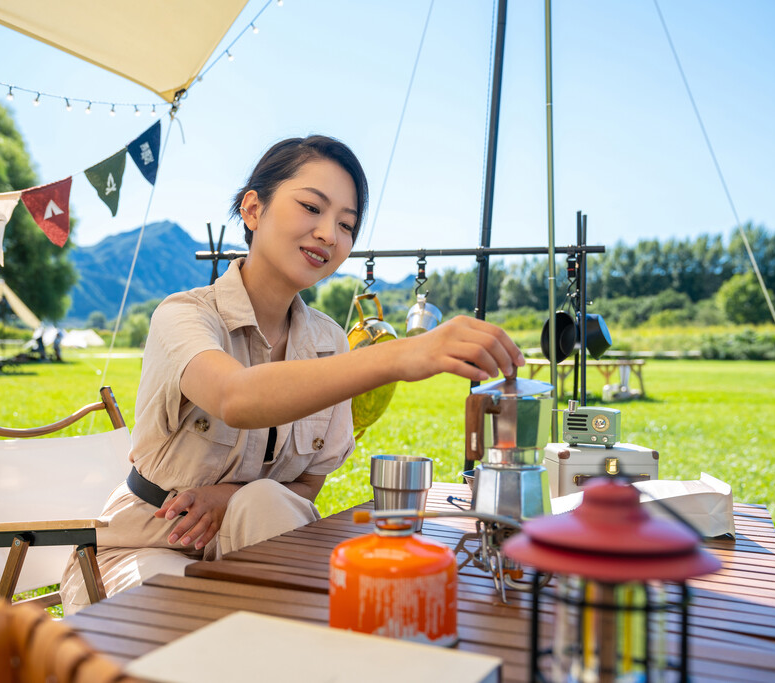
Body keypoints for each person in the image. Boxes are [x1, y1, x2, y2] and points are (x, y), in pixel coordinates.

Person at [59, 135, 524, 614]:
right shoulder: (184, 317)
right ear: (254, 210)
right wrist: (402, 356)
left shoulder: (329, 342)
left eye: (347, 225)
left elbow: (307, 484)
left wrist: (230, 498)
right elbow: (235, 397)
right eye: (311, 207)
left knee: (264, 503)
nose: (329, 234)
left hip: (257, 547)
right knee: (227, 621)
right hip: (144, 547)